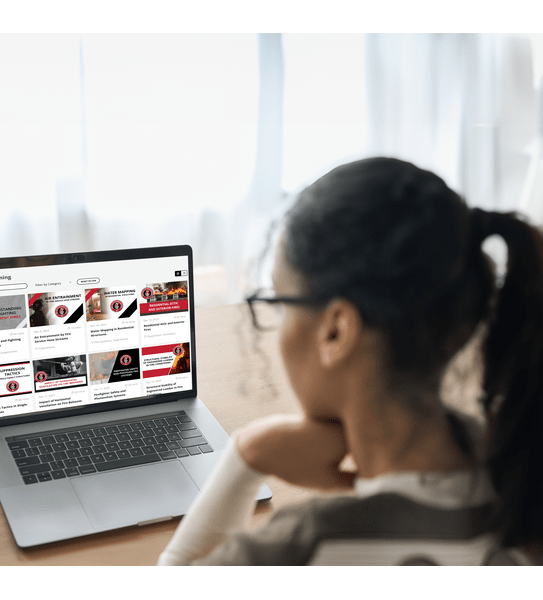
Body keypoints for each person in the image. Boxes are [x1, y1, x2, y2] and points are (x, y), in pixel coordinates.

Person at [158, 157, 543, 565]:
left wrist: (246, 454)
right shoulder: (522, 473)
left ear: (336, 331)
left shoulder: (309, 545)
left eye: (280, 302)